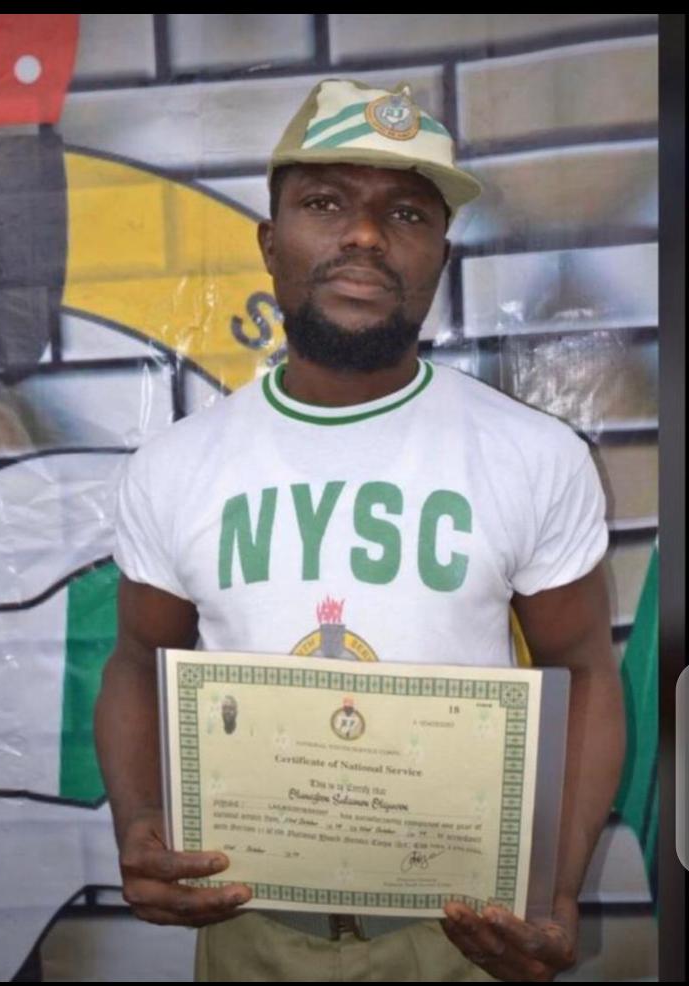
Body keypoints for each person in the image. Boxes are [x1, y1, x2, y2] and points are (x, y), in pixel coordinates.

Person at [95, 78, 625, 982]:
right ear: (270, 243)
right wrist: (140, 819)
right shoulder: (175, 466)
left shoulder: (535, 455)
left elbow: (583, 674)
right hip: (250, 924)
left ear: (440, 257)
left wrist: (557, 891)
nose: (367, 236)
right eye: (325, 203)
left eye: (407, 214)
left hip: (462, 934)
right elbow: (140, 662)